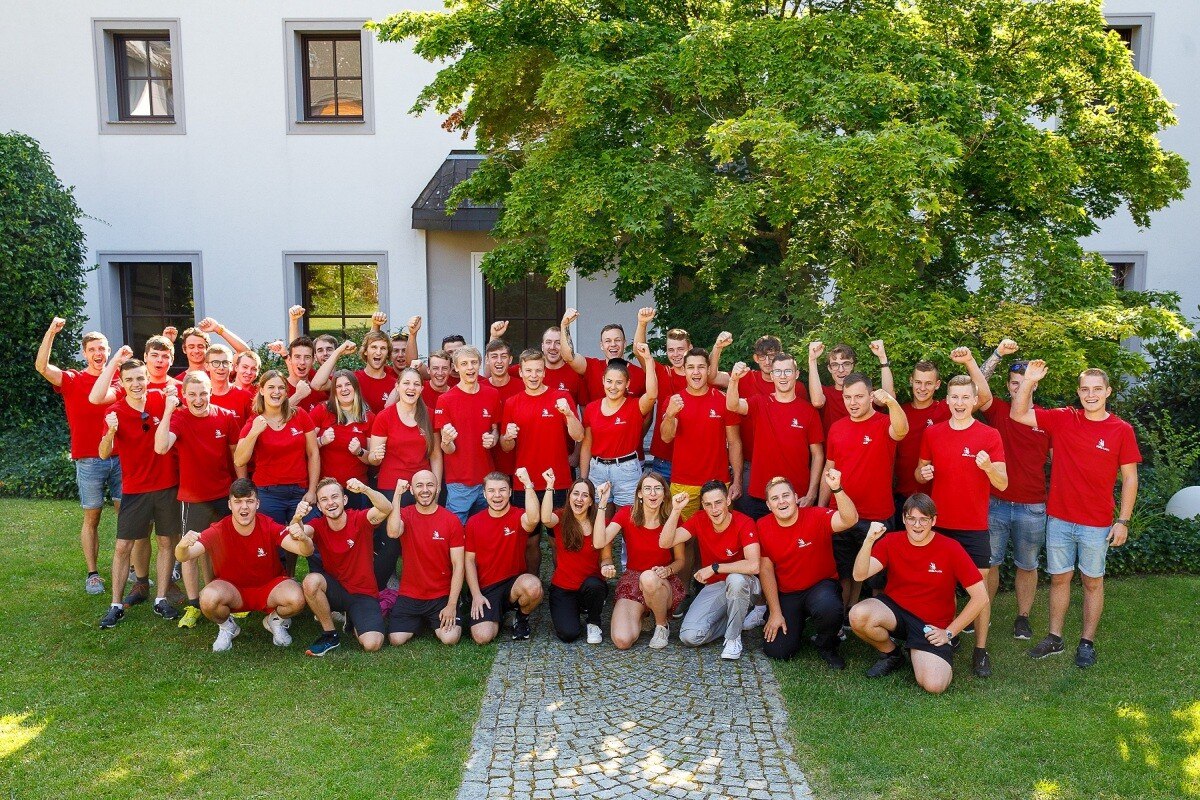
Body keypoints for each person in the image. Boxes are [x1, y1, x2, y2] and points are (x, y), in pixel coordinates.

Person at [1011, 360, 1141, 668]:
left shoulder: (1121, 430)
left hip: (1096, 523)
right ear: (1078, 393)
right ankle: (1055, 637)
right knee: (1059, 578)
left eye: (1097, 389)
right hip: (1059, 518)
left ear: (1108, 392)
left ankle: (1086, 642)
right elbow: (1018, 413)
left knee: (1092, 582)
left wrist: (1123, 520)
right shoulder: (1063, 419)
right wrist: (1028, 380)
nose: (1091, 395)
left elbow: (1131, 478)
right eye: (1085, 389)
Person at [915, 371, 1007, 677]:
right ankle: (947, 637)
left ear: (974, 400)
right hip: (940, 527)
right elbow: (920, 472)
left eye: (966, 397)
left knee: (978, 591)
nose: (959, 402)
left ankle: (980, 650)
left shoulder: (989, 435)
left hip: (974, 528)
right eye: (954, 397)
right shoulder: (934, 433)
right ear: (948, 399)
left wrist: (988, 467)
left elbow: (1003, 483)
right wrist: (923, 475)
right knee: (942, 587)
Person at [849, 495, 990, 694]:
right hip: (895, 611)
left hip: (930, 624)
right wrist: (869, 540)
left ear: (934, 521)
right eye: (911, 519)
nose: (917, 525)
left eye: (924, 519)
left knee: (934, 685)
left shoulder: (951, 548)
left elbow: (981, 597)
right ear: (904, 519)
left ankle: (919, 650)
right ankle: (891, 653)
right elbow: (859, 574)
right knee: (858, 615)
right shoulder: (891, 541)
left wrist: (949, 632)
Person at [96, 355, 183, 627]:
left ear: (147, 378)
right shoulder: (116, 412)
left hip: (167, 484)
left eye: (140, 378)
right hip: (135, 488)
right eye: (130, 380)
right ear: (121, 383)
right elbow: (103, 453)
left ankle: (161, 599)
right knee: (123, 546)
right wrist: (110, 432)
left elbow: (181, 401)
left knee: (167, 541)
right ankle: (115, 604)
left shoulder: (162, 398)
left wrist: (173, 399)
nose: (136, 384)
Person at [36, 317, 121, 594]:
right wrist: (51, 332)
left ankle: (131, 568)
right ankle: (93, 573)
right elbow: (42, 367)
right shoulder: (73, 379)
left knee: (127, 515)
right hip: (88, 460)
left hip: (122, 458)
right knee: (92, 517)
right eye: (93, 349)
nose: (99, 354)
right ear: (85, 353)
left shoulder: (118, 380)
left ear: (109, 351)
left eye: (103, 349)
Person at [174, 479, 309, 652]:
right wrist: (181, 546)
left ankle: (275, 621)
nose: (244, 507)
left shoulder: (268, 524)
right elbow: (184, 556)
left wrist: (304, 539)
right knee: (207, 599)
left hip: (269, 588)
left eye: (249, 501)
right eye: (238, 502)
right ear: (230, 504)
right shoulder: (218, 529)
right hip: (232, 590)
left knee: (296, 598)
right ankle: (227, 626)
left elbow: (304, 550)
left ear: (257, 503)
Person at [155, 371, 242, 629]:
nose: (198, 399)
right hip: (193, 498)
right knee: (190, 553)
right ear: (184, 395)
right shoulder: (179, 418)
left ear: (210, 392)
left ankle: (230, 598)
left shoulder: (225, 417)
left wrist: (240, 489)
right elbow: (160, 448)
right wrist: (169, 411)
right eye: (192, 394)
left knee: (227, 550)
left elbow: (236, 456)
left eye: (203, 393)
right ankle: (194, 605)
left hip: (223, 495)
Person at [978, 342, 1051, 641]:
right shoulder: (997, 411)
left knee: (1027, 565)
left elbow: (1059, 462)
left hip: (1032, 505)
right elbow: (977, 385)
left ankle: (1023, 617)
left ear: (1034, 386)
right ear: (1008, 386)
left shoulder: (1046, 419)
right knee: (990, 563)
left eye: (1025, 383)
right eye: (1014, 383)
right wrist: (996, 356)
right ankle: (982, 611)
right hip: (995, 502)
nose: (1019, 388)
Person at [818, 373, 908, 614]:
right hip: (842, 515)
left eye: (859, 396)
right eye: (848, 397)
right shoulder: (837, 428)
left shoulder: (883, 424)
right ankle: (843, 621)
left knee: (876, 578)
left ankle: (875, 623)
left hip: (877, 515)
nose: (853, 402)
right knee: (844, 572)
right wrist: (821, 506)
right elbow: (829, 468)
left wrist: (890, 401)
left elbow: (902, 429)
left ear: (871, 396)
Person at [758, 470, 859, 668]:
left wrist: (837, 488)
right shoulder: (762, 526)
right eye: (775, 498)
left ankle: (827, 644)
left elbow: (850, 519)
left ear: (796, 498)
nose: (782, 501)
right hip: (787, 593)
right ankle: (792, 623)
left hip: (819, 586)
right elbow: (766, 571)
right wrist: (775, 612)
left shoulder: (816, 516)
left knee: (828, 607)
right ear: (769, 505)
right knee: (778, 652)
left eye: (786, 495)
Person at [500, 348, 584, 576]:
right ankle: (532, 584)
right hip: (524, 483)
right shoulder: (512, 403)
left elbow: (578, 436)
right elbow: (506, 446)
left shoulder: (561, 398)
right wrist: (507, 436)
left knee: (560, 541)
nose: (534, 375)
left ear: (545, 371)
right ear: (522, 373)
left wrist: (568, 414)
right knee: (529, 542)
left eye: (538, 370)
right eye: (529, 371)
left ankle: (564, 585)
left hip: (558, 481)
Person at [659, 482, 761, 660]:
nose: (714, 509)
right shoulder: (699, 519)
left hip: (746, 584)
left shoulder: (745, 522)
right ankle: (733, 620)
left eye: (718, 502)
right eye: (708, 504)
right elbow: (665, 543)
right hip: (716, 586)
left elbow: (754, 565)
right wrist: (675, 511)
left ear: (728, 500)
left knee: (735, 580)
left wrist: (715, 568)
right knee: (689, 636)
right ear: (702, 505)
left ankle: (733, 638)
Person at [233, 370, 320, 575]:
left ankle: (316, 585)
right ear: (261, 390)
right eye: (271, 387)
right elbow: (239, 459)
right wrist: (255, 432)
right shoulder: (254, 422)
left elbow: (313, 453)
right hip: (268, 493)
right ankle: (278, 587)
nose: (276, 391)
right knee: (274, 544)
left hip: (300, 492)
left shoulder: (300, 416)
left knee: (311, 537)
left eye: (281, 387)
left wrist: (312, 490)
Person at [295, 478, 392, 655]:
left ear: (344, 500)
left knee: (372, 644)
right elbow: (299, 533)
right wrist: (297, 517)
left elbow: (386, 508)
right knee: (311, 581)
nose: (330, 503)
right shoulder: (318, 525)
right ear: (319, 506)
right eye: (324, 499)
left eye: (334, 497)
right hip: (336, 590)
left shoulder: (360, 519)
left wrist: (365, 489)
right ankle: (330, 635)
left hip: (363, 593)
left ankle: (353, 618)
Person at [726, 352, 824, 521]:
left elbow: (818, 454)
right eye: (778, 372)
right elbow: (733, 405)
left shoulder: (809, 411)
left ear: (797, 374)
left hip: (796, 496)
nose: (783, 376)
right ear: (772, 375)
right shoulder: (759, 403)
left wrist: (812, 493)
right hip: (761, 495)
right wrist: (734, 380)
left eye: (788, 371)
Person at [595, 470, 686, 650]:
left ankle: (661, 625)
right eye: (647, 489)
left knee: (649, 578)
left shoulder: (672, 516)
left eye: (657, 489)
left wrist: (667, 570)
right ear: (639, 493)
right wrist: (603, 503)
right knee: (622, 641)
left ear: (664, 493)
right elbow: (599, 541)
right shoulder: (627, 514)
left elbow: (680, 560)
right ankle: (644, 614)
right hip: (633, 578)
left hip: (662, 580)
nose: (652, 493)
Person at [633, 308, 725, 482]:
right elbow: (640, 352)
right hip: (665, 459)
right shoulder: (661, 373)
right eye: (671, 350)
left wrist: (718, 347)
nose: (675, 354)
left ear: (690, 348)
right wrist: (642, 323)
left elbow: (711, 367)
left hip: (697, 460)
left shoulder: (700, 376)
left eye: (680, 349)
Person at [370, 366, 441, 585]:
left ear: (421, 388)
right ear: (397, 387)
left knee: (421, 540)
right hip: (392, 487)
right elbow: (374, 458)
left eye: (416, 384)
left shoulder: (428, 415)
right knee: (391, 543)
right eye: (406, 383)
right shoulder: (385, 417)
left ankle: (421, 585)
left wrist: (436, 487)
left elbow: (436, 454)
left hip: (422, 489)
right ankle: (376, 589)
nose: (411, 388)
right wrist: (375, 455)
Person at [659, 347, 743, 519]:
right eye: (690, 367)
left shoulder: (724, 400)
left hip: (718, 482)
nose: (696, 372)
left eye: (701, 367)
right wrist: (670, 414)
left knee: (720, 533)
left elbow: (734, 442)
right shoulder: (674, 401)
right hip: (683, 482)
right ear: (684, 370)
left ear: (708, 369)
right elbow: (666, 437)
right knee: (685, 537)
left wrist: (738, 480)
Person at [385, 470, 467, 646]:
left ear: (437, 489)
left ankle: (433, 619)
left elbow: (458, 565)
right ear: (412, 490)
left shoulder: (451, 521)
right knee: (396, 640)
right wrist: (397, 495)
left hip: (440, 595)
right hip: (410, 594)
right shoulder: (405, 515)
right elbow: (392, 532)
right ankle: (422, 621)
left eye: (430, 485)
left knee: (449, 638)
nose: (425, 490)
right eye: (419, 486)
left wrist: (452, 604)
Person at [464, 471, 543, 643]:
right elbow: (468, 561)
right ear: (484, 494)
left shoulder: (518, 516)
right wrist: (476, 595)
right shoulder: (473, 522)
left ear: (510, 492)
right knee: (482, 637)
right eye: (491, 491)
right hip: (487, 589)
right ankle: (496, 616)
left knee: (533, 586)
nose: (497, 495)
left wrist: (528, 484)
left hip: (513, 584)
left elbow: (534, 517)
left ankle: (521, 618)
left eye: (502, 490)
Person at [579, 343, 658, 511]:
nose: (613, 387)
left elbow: (651, 395)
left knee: (629, 522)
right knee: (599, 521)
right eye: (609, 381)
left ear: (627, 384)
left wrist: (649, 361)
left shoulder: (635, 406)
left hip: (626, 470)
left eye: (619, 382)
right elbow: (587, 445)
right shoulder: (592, 408)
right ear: (603, 381)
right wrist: (584, 478)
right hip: (597, 470)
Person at [540, 471, 615, 644]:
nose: (579, 499)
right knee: (568, 634)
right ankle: (573, 611)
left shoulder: (599, 522)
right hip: (563, 588)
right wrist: (550, 486)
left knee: (595, 585)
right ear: (569, 496)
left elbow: (606, 557)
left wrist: (607, 567)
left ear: (590, 501)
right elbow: (545, 518)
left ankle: (594, 621)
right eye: (575, 493)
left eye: (585, 495)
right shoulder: (560, 517)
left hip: (590, 586)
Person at [434, 346, 501, 524]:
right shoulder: (446, 400)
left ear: (479, 364)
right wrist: (446, 441)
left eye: (473, 363)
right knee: (456, 532)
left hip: (487, 479)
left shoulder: (492, 394)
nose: (470, 367)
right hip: (459, 482)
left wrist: (493, 438)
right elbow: (447, 449)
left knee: (486, 531)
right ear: (456, 368)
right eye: (464, 364)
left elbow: (495, 429)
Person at [892, 360, 949, 514]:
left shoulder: (945, 409)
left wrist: (968, 361)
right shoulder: (900, 413)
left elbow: (981, 396)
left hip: (935, 497)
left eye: (928, 383)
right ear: (911, 381)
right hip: (902, 497)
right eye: (918, 382)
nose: (922, 388)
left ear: (937, 384)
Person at [309, 370, 374, 501]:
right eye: (338, 386)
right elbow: (303, 446)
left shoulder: (369, 417)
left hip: (357, 489)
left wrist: (359, 452)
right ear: (334, 391)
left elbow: (373, 459)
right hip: (326, 490)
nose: (344, 389)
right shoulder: (322, 410)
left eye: (348, 384)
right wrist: (321, 441)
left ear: (355, 387)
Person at [807, 340, 895, 431]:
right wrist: (812, 360)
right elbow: (817, 402)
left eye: (846, 364)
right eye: (835, 365)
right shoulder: (825, 393)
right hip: (834, 444)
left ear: (853, 366)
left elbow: (889, 399)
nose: (841, 370)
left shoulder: (865, 392)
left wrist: (882, 357)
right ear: (829, 368)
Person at [559, 312, 647, 401]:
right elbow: (568, 357)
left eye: (617, 340)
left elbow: (647, 411)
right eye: (608, 341)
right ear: (601, 345)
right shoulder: (591, 367)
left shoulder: (639, 374)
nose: (613, 344)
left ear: (624, 344)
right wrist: (564, 325)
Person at [204, 344, 254, 425]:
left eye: (225, 362)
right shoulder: (200, 397)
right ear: (207, 366)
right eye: (215, 363)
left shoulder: (245, 397)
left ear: (231, 366)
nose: (221, 367)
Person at [354, 330, 398, 414]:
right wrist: (338, 352)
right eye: (374, 347)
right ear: (365, 351)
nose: (378, 353)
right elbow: (321, 384)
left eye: (383, 348)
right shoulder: (353, 379)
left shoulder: (395, 384)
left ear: (388, 353)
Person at [282, 337, 327, 413]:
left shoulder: (321, 388)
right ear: (289, 359)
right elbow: (272, 416)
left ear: (313, 360)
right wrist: (298, 395)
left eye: (307, 357)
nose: (302, 362)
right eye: (297, 357)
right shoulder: (279, 387)